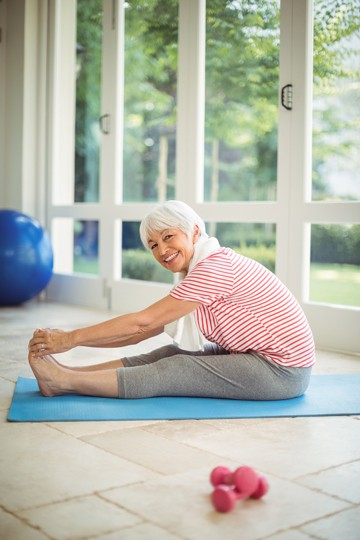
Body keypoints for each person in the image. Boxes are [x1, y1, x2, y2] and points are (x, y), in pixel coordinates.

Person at [28, 200, 315, 400]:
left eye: (168, 237)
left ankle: (63, 382)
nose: (162, 250)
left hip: (283, 370)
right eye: (153, 245)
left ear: (194, 231)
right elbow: (140, 333)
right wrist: (69, 347)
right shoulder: (203, 266)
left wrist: (70, 339)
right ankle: (68, 374)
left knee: (176, 369)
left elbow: (143, 322)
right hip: (260, 359)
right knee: (169, 354)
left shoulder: (214, 268)